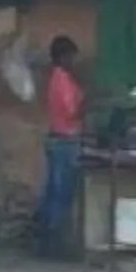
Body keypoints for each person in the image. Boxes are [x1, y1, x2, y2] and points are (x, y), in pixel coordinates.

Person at [33, 36, 87, 258]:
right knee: (61, 194)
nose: (73, 61)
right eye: (71, 56)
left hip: (60, 140)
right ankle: (52, 244)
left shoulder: (61, 79)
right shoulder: (61, 80)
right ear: (62, 57)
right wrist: (93, 104)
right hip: (64, 141)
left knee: (53, 191)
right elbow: (73, 113)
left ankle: (45, 239)